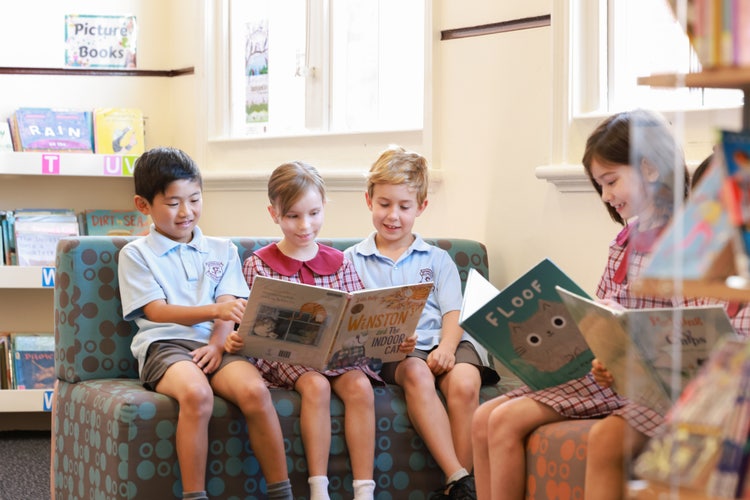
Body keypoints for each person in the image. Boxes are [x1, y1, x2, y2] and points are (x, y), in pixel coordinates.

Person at [470, 109, 750, 500]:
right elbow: (602, 309)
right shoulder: (625, 240)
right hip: (613, 375)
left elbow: (695, 328)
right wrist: (598, 337)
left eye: (610, 181)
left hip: (662, 385)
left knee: (521, 425)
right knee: (486, 417)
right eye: (600, 185)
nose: (606, 196)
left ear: (650, 169)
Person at [117, 147, 293, 500]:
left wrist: (216, 343)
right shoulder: (136, 254)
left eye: (194, 199)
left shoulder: (222, 249)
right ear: (143, 205)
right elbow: (156, 311)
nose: (186, 212)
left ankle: (282, 493)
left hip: (215, 344)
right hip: (164, 346)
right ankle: (194, 495)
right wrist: (213, 312)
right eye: (173, 203)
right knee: (197, 396)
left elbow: (230, 303)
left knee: (256, 392)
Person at [224, 161, 397, 500]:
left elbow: (359, 314)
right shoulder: (258, 263)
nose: (305, 225)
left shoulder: (341, 260)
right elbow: (245, 324)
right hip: (289, 359)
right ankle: (319, 489)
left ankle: (365, 490)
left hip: (338, 355)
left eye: (314, 213)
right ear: (274, 214)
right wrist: (236, 337)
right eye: (293, 216)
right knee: (315, 386)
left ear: (324, 207)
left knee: (360, 386)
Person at [344, 145, 500, 500]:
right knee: (416, 373)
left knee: (463, 381)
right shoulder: (351, 259)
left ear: (421, 207)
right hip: (398, 351)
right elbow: (352, 321)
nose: (393, 216)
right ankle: (458, 478)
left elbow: (453, 312)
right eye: (384, 204)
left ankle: (457, 491)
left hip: (447, 339)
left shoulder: (437, 258)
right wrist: (387, 342)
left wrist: (447, 348)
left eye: (404, 206)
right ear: (368, 200)